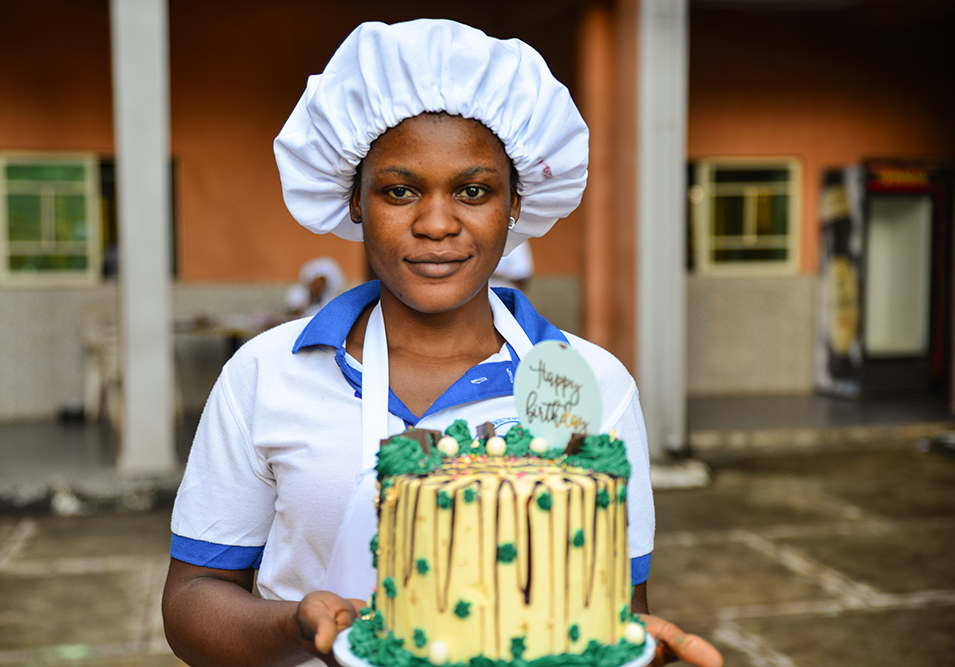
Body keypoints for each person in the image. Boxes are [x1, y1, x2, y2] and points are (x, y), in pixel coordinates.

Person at [162, 19, 723, 667]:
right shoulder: (264, 373)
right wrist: (296, 622)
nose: (435, 223)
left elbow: (614, 611)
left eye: (473, 190)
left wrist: (634, 650)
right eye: (399, 190)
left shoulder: (585, 383)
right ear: (353, 200)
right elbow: (193, 598)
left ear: (515, 204)